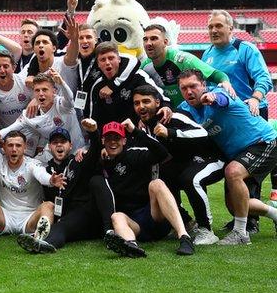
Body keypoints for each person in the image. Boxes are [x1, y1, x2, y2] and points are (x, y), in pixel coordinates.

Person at [177, 69, 277, 244]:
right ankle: (275, 214)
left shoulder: (220, 92)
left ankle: (240, 234)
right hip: (239, 154)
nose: (189, 92)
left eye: (193, 86)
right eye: (184, 88)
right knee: (234, 205)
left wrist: (212, 98)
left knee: (233, 172)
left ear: (204, 85)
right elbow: (174, 116)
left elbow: (221, 100)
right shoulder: (185, 109)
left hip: (263, 142)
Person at [202, 9, 277, 212]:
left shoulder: (245, 49)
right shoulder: (207, 54)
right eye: (210, 26)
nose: (214, 30)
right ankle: (241, 215)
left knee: (248, 171)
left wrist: (255, 98)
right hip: (226, 119)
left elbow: (263, 78)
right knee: (235, 168)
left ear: (230, 28)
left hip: (252, 112)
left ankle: (250, 221)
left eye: (218, 26)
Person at [132, 85, 224, 244]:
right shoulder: (145, 125)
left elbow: (203, 133)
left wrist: (171, 133)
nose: (141, 106)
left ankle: (206, 230)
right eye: (137, 103)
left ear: (158, 103)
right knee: (159, 179)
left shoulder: (174, 117)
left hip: (211, 159)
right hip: (185, 164)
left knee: (191, 179)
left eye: (146, 101)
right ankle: (186, 223)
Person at [17, 120, 116, 254]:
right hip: (66, 218)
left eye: (63, 142)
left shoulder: (78, 161)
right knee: (60, 226)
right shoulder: (45, 170)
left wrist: (93, 133)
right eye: (55, 142)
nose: (59, 145)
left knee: (61, 227)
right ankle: (40, 240)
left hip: (85, 215)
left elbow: (95, 151)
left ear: (70, 146)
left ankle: (44, 243)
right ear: (49, 147)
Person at [99, 120, 195, 258]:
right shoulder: (102, 162)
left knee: (156, 184)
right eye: (109, 139)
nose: (113, 142)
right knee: (116, 216)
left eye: (117, 138)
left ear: (124, 141)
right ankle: (131, 246)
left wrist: (136, 131)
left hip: (152, 214)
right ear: (103, 141)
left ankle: (184, 237)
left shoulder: (134, 154)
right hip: (134, 224)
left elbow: (162, 153)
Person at [141, 24, 234, 107]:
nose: (148, 43)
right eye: (145, 39)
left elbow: (216, 74)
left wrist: (225, 82)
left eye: (154, 38)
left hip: (193, 112)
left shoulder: (183, 60)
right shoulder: (145, 66)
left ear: (165, 42)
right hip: (168, 114)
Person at [0, 71, 84, 157]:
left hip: (78, 152)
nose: (41, 94)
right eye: (37, 90)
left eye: (45, 90)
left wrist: (62, 83)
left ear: (54, 91)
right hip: (54, 155)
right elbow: (11, 128)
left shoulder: (62, 105)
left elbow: (70, 99)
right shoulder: (30, 114)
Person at [88, 42, 171, 126]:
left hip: (139, 132)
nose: (107, 63)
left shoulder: (138, 76)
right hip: (114, 136)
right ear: (98, 64)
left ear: (119, 59)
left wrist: (166, 106)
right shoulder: (97, 86)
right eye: (103, 60)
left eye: (111, 58)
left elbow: (161, 97)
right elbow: (94, 118)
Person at [0, 51, 32, 129]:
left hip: (28, 129)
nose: (2, 71)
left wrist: (35, 99)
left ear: (14, 68)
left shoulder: (24, 83)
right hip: (6, 133)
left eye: (5, 66)